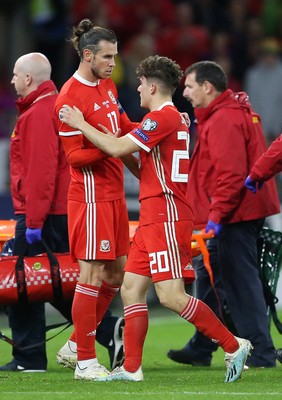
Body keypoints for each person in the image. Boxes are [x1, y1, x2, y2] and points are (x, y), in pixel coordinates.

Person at [58, 54, 252, 383]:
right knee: (131, 290)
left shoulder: (161, 119)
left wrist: (81, 124)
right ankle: (132, 368)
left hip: (166, 214)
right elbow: (140, 163)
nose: (136, 89)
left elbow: (119, 149)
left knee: (171, 296)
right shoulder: (167, 120)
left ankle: (233, 346)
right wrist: (105, 134)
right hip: (153, 215)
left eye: (139, 84)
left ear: (151, 86)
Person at [0, 52, 124, 373]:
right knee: (57, 281)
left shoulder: (39, 112)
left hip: (43, 212)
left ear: (28, 79)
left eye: (16, 75)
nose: (12, 81)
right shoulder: (46, 107)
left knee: (26, 283)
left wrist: (33, 223)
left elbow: (40, 173)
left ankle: (29, 358)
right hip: (54, 210)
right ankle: (108, 330)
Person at [167, 61, 280, 368]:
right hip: (237, 210)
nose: (185, 93)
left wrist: (216, 217)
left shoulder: (223, 119)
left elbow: (229, 176)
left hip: (234, 214)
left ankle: (261, 352)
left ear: (208, 87)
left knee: (240, 285)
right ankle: (203, 344)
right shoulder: (225, 114)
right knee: (210, 279)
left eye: (189, 86)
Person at [54, 19, 137, 381]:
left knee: (117, 274)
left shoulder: (106, 86)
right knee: (91, 274)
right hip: (89, 198)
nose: (112, 64)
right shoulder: (69, 98)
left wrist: (156, 127)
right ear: (87, 55)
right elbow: (74, 157)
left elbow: (120, 123)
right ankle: (85, 362)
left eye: (115, 57)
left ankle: (75, 344)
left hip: (114, 192)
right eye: (106, 57)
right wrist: (112, 148)